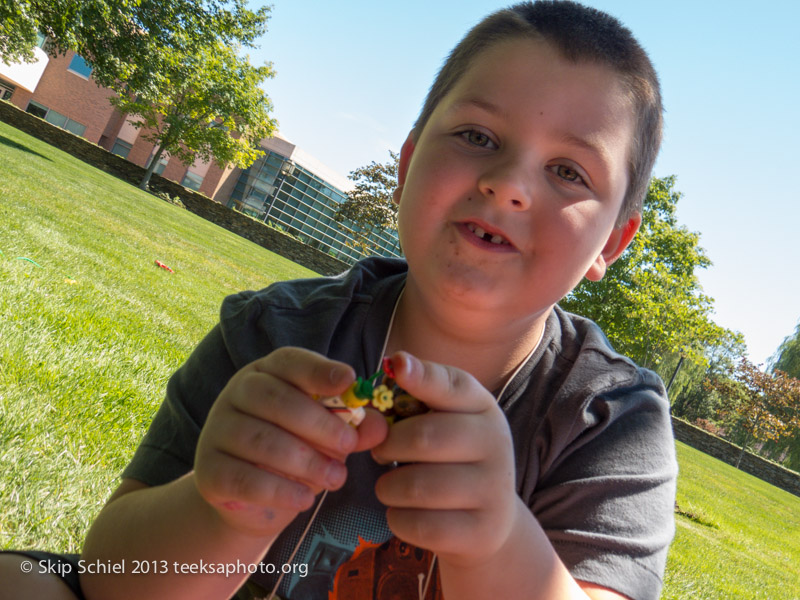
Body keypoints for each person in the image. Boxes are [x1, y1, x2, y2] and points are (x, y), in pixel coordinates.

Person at [0, 1, 677, 599]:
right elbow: (111, 579)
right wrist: (219, 507)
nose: (508, 184)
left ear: (611, 243)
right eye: (478, 137)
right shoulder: (277, 334)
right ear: (408, 168)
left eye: (569, 171)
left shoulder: (611, 421)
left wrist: (500, 543)